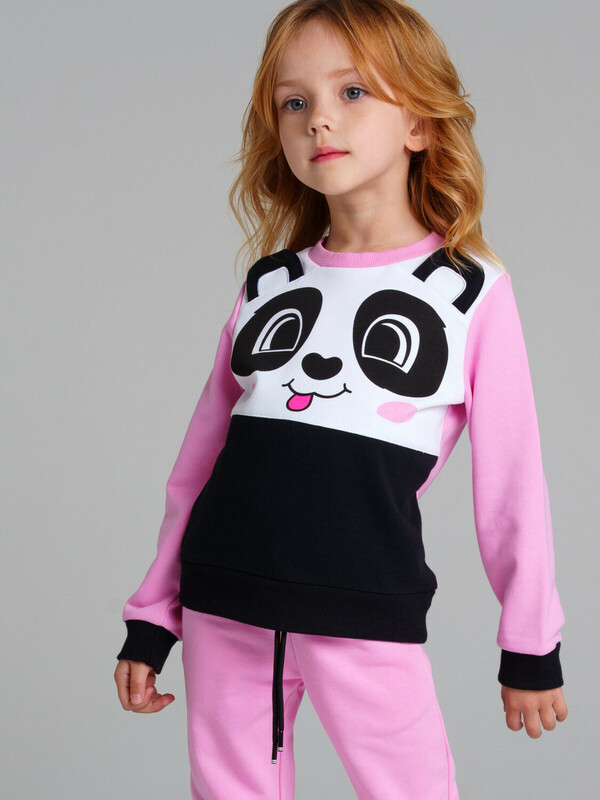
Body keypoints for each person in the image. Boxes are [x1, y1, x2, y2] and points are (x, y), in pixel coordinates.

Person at [114, 1, 568, 797]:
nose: (319, 118)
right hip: (224, 599)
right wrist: (154, 616)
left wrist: (529, 643)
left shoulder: (469, 291)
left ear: (419, 122)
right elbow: (200, 464)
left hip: (364, 605)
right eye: (295, 102)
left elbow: (512, 484)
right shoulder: (270, 286)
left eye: (352, 91)